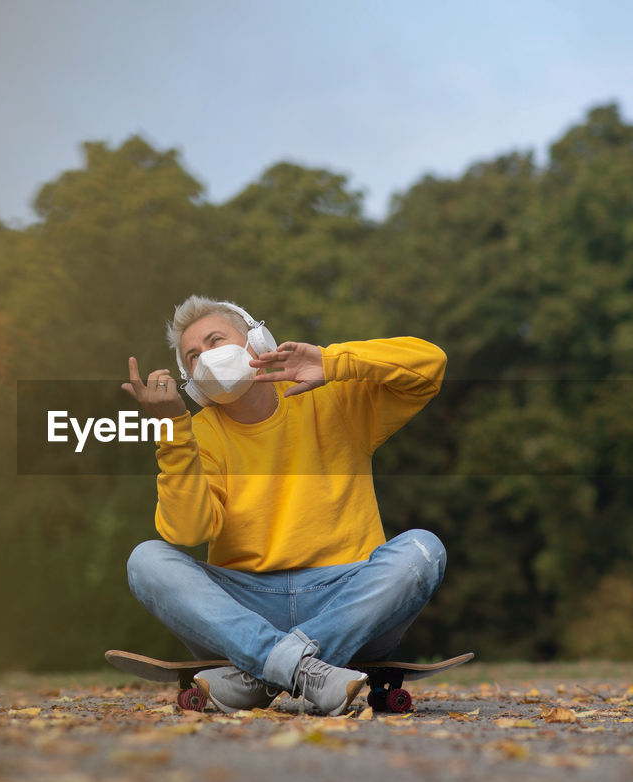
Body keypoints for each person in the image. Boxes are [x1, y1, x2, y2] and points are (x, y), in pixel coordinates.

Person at [121, 296, 448, 715]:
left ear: (257, 341)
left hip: (346, 598)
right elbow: (189, 532)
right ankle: (302, 667)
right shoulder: (195, 435)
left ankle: (258, 674)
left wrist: (335, 362)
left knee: (423, 549)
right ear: (191, 380)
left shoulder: (333, 398)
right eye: (193, 356)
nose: (207, 358)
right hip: (245, 606)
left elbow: (430, 365)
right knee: (145, 559)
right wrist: (172, 429)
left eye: (216, 340)